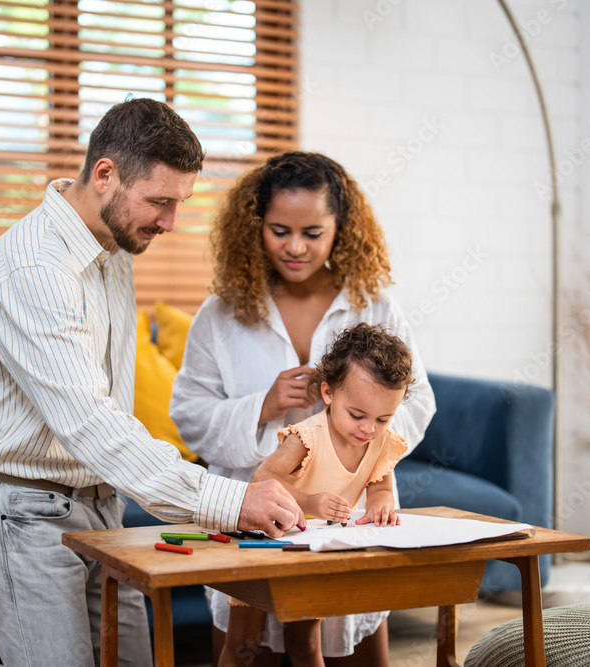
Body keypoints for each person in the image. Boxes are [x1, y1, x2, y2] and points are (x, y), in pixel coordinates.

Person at [0, 99, 305, 667]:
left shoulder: (112, 248)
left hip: (103, 507)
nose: (169, 223)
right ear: (105, 174)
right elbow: (90, 424)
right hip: (23, 512)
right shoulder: (34, 270)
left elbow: (104, 405)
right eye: (159, 202)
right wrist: (227, 500)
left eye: (179, 204)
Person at [171, 151, 436, 666]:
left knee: (352, 648)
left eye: (313, 233)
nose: (295, 247)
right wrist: (262, 406)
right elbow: (189, 414)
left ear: (341, 228)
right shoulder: (221, 314)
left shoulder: (373, 304)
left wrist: (357, 428)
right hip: (252, 524)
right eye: (279, 230)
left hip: (349, 519)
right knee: (247, 646)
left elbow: (418, 399)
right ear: (255, 225)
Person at [221, 323, 416, 667]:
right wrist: (310, 503)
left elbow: (380, 483)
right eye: (357, 415)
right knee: (243, 642)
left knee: (306, 642)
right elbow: (261, 478)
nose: (368, 429)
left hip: (311, 553)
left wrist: (381, 504)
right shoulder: (307, 437)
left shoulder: (380, 442)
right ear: (328, 393)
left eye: (383, 418)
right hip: (263, 543)